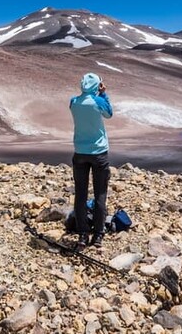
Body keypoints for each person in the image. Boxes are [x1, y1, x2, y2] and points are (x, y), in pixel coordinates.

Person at [69, 72, 113, 248]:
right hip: (99, 153)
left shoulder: (73, 102)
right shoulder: (98, 101)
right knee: (100, 193)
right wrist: (103, 93)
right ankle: (98, 234)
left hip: (80, 151)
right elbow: (109, 114)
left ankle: (82, 234)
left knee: (80, 194)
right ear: (97, 85)